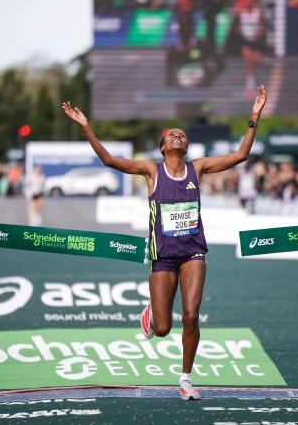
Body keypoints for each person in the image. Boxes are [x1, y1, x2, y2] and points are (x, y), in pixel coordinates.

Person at [62, 85, 268, 400]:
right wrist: (86, 127)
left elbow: (241, 155)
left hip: (193, 252)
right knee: (162, 329)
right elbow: (109, 161)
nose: (177, 136)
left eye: (182, 135)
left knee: (191, 313)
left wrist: (254, 116)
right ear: (162, 147)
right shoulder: (150, 171)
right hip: (163, 256)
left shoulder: (197, 168)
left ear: (186, 146)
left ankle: (185, 379)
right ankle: (152, 315)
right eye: (172, 135)